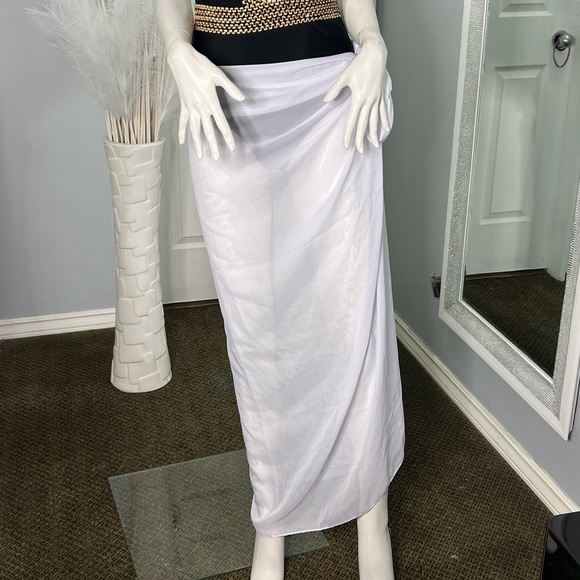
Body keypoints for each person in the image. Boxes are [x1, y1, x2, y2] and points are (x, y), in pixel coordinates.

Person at [156, 0, 405, 577]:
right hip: (224, 99)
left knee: (353, 307)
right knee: (257, 325)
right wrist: (175, 50)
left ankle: (373, 511)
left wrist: (372, 41)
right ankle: (273, 513)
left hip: (332, 94)